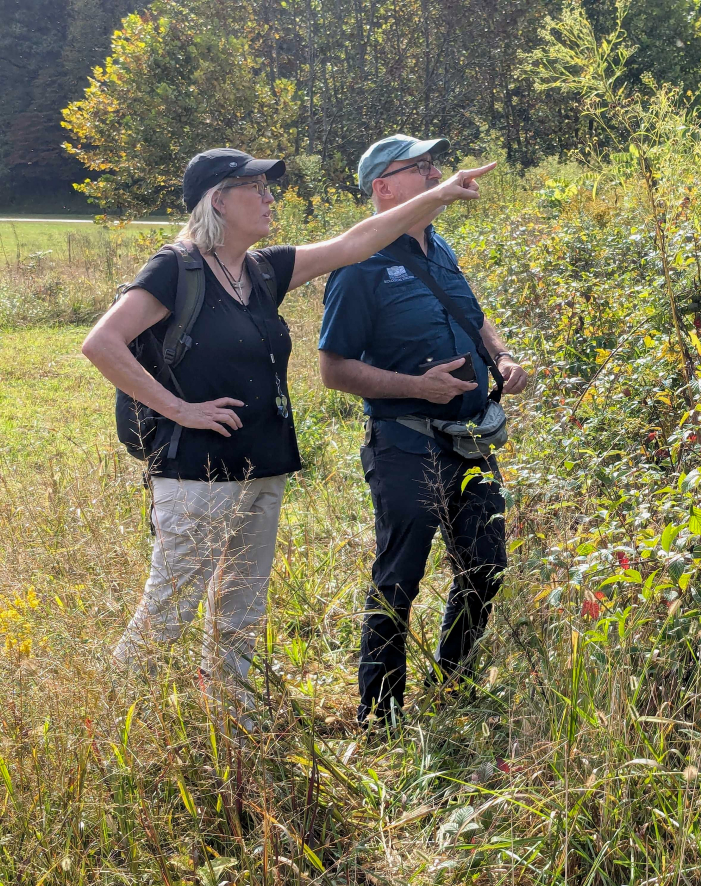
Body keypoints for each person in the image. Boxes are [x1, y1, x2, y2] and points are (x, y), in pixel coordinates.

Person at [81, 147, 494, 726]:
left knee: (241, 611)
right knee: (168, 610)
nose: (271, 196)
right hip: (197, 473)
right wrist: (181, 408)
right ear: (218, 200)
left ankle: (239, 727)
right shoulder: (175, 269)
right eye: (256, 186)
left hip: (262, 463)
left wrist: (438, 193)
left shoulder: (264, 270)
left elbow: (358, 240)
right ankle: (106, 727)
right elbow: (102, 343)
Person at [318, 134, 529, 728]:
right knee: (399, 580)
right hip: (405, 443)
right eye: (421, 167)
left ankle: (452, 685)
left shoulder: (441, 249)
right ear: (383, 188)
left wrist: (502, 355)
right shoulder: (357, 266)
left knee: (486, 565)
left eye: (435, 163)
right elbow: (333, 370)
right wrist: (418, 387)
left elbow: (474, 314)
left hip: (469, 441)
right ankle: (379, 717)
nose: (436, 172)